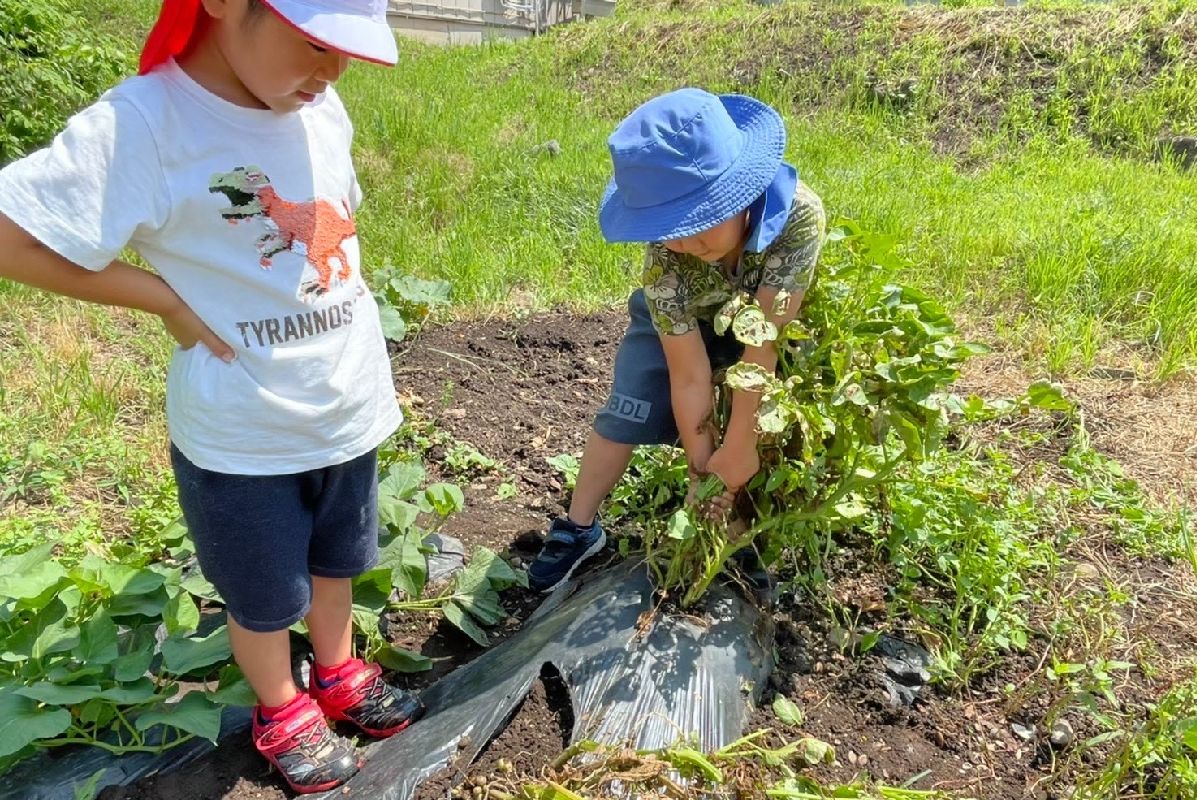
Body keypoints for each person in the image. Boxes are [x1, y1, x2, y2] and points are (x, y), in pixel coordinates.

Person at [0, 0, 423, 792]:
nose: (332, 72)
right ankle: (280, 705)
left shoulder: (316, 104)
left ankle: (337, 668)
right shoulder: (147, 125)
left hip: (346, 405)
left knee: (341, 562)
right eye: (312, 43)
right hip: (242, 431)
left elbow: (335, 228)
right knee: (262, 594)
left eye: (348, 52)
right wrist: (161, 297)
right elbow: (11, 235)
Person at [527, 88, 826, 594]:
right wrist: (701, 468)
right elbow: (687, 374)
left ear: (738, 189)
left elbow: (762, 348)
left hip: (761, 324)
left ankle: (740, 537)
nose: (683, 243)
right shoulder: (666, 259)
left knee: (759, 425)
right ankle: (580, 529)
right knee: (628, 406)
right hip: (683, 319)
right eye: (667, 229)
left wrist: (737, 450)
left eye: (696, 221)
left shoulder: (797, 219)